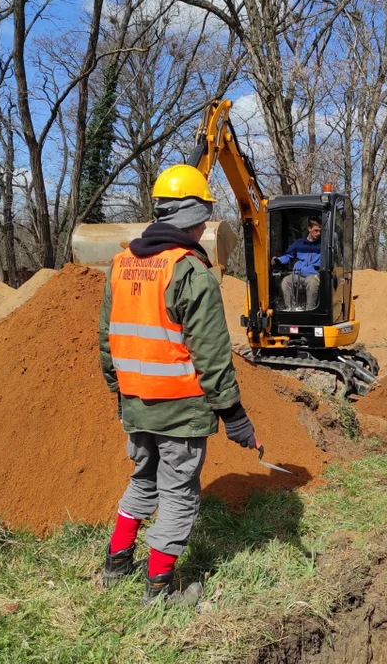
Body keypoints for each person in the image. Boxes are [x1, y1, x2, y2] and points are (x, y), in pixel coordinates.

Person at [99, 163, 258, 603]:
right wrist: (234, 414)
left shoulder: (121, 265)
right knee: (178, 494)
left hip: (135, 402)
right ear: (194, 218)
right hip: (181, 407)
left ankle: (116, 563)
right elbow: (211, 354)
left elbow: (106, 340)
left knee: (143, 478)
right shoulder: (190, 272)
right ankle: (159, 589)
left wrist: (120, 392)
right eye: (205, 215)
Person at [272, 217, 322, 310]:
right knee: (286, 281)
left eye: (320, 231)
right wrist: (278, 260)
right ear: (309, 229)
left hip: (313, 274)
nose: (318, 233)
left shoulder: (323, 245)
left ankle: (310, 311)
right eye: (316, 230)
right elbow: (288, 256)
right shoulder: (298, 244)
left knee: (313, 282)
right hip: (298, 274)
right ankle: (291, 309)